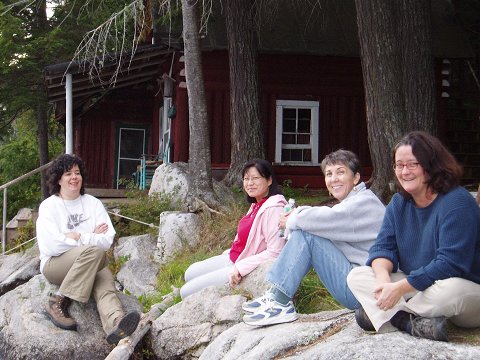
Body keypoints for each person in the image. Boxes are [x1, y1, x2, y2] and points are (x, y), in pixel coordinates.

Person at [347, 131, 480, 342]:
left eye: (412, 164)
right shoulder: (399, 203)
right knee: (358, 276)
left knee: (450, 290)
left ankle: (390, 318)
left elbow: (450, 265)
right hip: (420, 288)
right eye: (399, 165)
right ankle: (412, 321)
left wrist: (399, 288)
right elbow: (383, 248)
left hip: (465, 293)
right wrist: (384, 283)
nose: (404, 171)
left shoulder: (457, 202)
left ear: (431, 165)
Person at [243, 149, 386, 326]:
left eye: (340, 172)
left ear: (356, 178)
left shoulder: (364, 202)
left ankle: (279, 300)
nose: (334, 179)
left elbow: (328, 218)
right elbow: (325, 219)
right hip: (360, 284)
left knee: (308, 234)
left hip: (365, 291)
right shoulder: (356, 201)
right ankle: (276, 296)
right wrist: (297, 219)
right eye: (328, 174)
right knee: (307, 230)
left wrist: (293, 217)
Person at [36, 154, 140, 344]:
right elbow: (51, 245)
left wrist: (77, 236)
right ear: (59, 179)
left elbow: (107, 239)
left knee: (105, 281)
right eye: (68, 174)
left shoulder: (92, 203)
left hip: (89, 262)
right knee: (95, 253)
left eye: (77, 173)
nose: (74, 177)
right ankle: (59, 300)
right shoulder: (49, 206)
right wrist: (91, 237)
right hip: (56, 264)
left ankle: (116, 323)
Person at [180, 159, 287, 299]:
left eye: (255, 178)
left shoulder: (274, 208)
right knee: (189, 273)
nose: (250, 183)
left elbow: (275, 252)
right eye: (246, 179)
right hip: (233, 257)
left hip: (241, 264)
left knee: (185, 292)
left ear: (269, 181)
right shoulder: (257, 204)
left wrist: (241, 268)